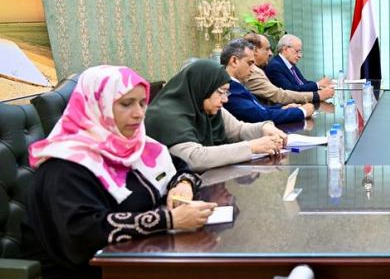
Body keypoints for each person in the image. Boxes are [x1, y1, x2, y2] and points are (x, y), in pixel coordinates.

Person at [21, 65, 216, 279]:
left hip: (142, 256)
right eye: (126, 104)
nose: (139, 113)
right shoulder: (65, 165)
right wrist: (168, 220)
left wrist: (183, 185)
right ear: (97, 105)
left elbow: (180, 167)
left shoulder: (134, 143)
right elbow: (84, 232)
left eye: (142, 103)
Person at [146, 59, 287, 172]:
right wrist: (251, 147)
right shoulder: (166, 115)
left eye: (226, 92)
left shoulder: (205, 104)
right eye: (221, 92)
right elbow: (194, 159)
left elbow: (238, 130)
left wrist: (265, 128)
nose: (225, 99)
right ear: (202, 87)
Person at [220, 38, 314, 125]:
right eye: (249, 63)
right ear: (234, 61)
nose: (252, 70)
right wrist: (302, 112)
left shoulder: (236, 85)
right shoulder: (229, 89)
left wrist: (282, 108)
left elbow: (260, 108)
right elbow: (259, 116)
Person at [242, 33, 334, 105]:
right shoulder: (269, 67)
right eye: (267, 49)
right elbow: (281, 94)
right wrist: (317, 94)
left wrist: (319, 87)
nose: (270, 53)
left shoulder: (289, 64)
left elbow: (302, 83)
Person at [265, 34, 333, 92]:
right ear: (285, 49)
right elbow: (290, 90)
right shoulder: (275, 66)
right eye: (297, 51)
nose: (300, 55)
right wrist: (318, 84)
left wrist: (321, 85)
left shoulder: (290, 64)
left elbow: (303, 83)